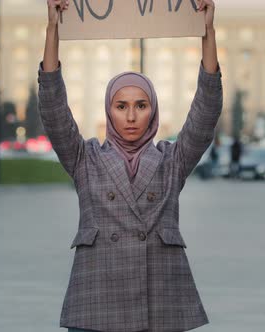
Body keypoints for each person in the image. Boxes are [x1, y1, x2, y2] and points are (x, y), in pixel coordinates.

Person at [39, 0, 222, 330]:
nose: (132, 115)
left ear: (153, 109)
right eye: (121, 105)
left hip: (161, 302)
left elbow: (206, 112)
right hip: (96, 302)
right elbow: (53, 111)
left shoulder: (172, 161)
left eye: (141, 105)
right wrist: (53, 28)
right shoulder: (86, 159)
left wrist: (207, 32)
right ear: (109, 111)